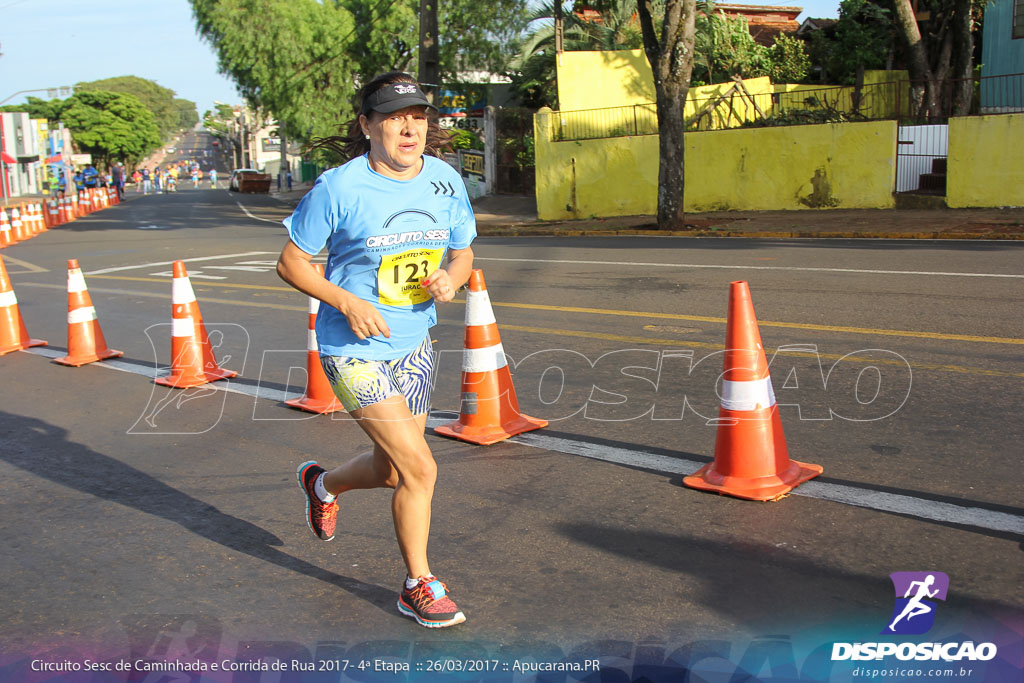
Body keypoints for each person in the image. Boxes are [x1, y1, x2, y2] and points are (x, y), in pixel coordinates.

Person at [277, 72, 476, 629]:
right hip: (352, 348)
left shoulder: (444, 180)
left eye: (416, 116)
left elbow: (462, 253)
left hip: (413, 345)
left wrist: (452, 280)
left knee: (393, 473)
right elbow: (291, 263)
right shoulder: (338, 189)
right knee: (420, 469)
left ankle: (322, 483)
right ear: (367, 126)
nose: (408, 127)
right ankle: (419, 583)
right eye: (392, 117)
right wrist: (344, 300)